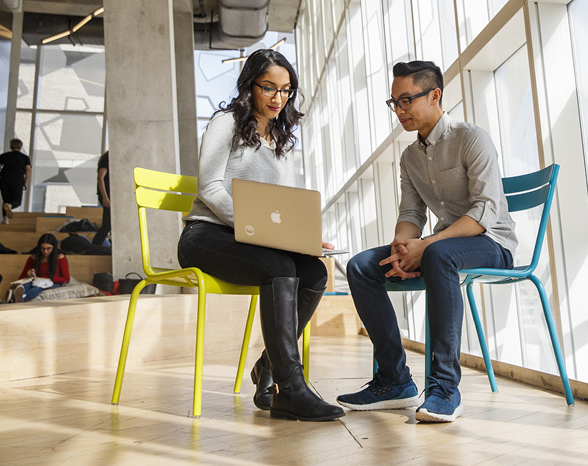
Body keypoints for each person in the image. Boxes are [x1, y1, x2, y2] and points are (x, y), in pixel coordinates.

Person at [336, 61, 518, 423]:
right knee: (361, 266)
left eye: (406, 101)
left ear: (435, 95)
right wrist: (402, 249)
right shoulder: (409, 157)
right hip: (442, 246)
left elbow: (485, 211)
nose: (399, 111)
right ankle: (394, 380)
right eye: (394, 103)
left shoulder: (471, 138)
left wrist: (427, 245)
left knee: (437, 255)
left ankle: (445, 388)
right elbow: (411, 214)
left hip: (492, 242)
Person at [177, 49, 344, 422]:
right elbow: (209, 188)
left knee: (315, 271)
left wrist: (303, 237)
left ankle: (268, 367)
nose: (277, 99)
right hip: (205, 236)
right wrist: (260, 230)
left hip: (253, 239)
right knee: (279, 267)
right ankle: (292, 390)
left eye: (286, 90)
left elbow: (279, 208)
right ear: (249, 85)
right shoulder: (227, 122)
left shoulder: (282, 139)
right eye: (269, 88)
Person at [14, 233, 70, 302]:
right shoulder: (33, 258)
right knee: (25, 286)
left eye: (48, 249)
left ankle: (22, 299)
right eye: (42, 248)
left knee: (37, 289)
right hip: (37, 281)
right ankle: (14, 296)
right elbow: (21, 278)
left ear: (54, 248)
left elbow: (66, 279)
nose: (45, 251)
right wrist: (28, 275)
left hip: (53, 282)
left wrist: (49, 279)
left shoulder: (60, 258)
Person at [0, 138, 31, 224]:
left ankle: (5, 219)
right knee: (17, 201)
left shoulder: (4, 156)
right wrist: (26, 182)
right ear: (20, 147)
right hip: (17, 180)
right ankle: (10, 206)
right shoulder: (25, 158)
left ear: (11, 146)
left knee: (6, 200)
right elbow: (28, 169)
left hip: (4, 179)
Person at [92, 151, 111, 245]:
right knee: (107, 225)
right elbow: (100, 178)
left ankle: (96, 245)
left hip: (109, 196)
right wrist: (105, 197)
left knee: (109, 225)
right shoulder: (107, 160)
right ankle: (95, 246)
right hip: (107, 196)